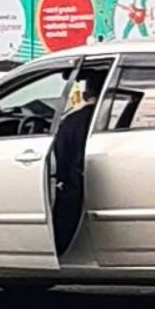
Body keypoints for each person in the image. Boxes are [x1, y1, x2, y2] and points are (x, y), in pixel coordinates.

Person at [49, 73, 105, 255]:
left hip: (75, 189)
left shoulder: (72, 122)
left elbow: (61, 161)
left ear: (85, 95)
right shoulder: (114, 118)